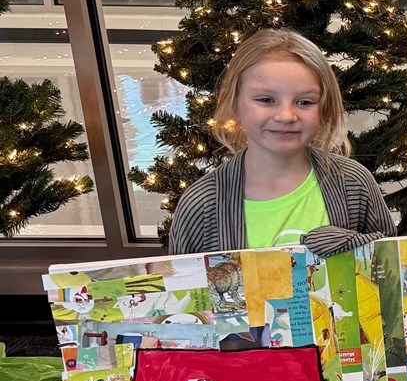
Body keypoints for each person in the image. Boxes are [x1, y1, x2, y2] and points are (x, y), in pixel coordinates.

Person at [166, 29, 395, 257]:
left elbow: (392, 266)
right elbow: (184, 285)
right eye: (266, 100)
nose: (286, 116)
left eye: (304, 102)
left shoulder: (353, 184)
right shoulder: (200, 205)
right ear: (234, 103)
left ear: (325, 108)